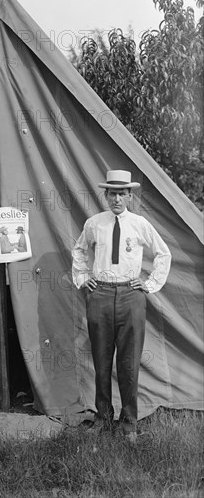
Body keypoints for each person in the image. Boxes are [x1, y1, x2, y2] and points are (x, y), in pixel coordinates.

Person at [72, 170, 171, 445]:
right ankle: (103, 418)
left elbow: (163, 253)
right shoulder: (94, 223)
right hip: (100, 294)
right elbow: (79, 250)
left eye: (122, 193)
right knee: (102, 361)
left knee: (128, 363)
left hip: (131, 295)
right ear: (106, 195)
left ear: (130, 195)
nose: (117, 199)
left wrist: (149, 284)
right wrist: (82, 278)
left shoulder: (139, 224)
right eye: (112, 193)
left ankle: (129, 423)